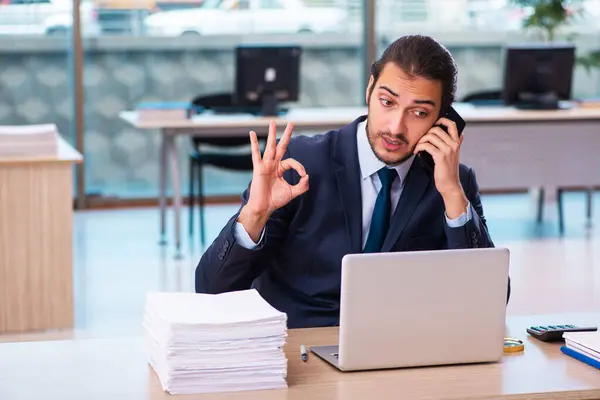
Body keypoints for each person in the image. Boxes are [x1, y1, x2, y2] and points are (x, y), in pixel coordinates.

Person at [195, 34, 511, 328]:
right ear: (370, 89)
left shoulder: (454, 183)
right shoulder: (300, 162)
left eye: (419, 113)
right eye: (387, 102)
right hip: (302, 353)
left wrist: (453, 196)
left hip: (398, 353)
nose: (396, 127)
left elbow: (491, 302)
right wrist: (254, 216)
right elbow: (211, 289)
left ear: (443, 120)